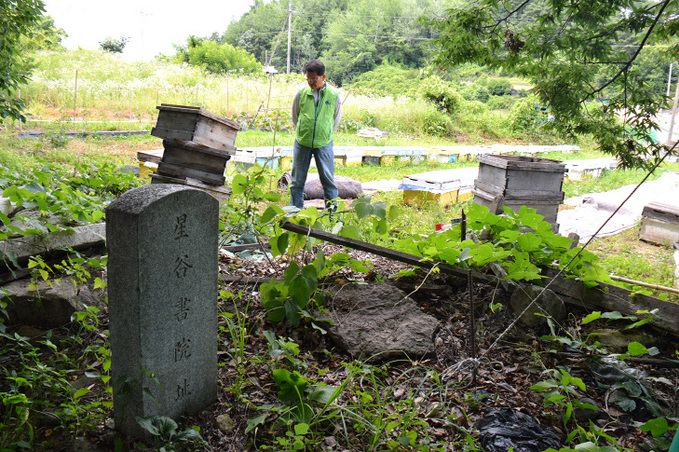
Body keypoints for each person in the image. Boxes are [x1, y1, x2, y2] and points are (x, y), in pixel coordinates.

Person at [289, 59, 342, 210]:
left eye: (314, 79)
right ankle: (295, 212)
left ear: (323, 77)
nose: (311, 82)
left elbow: (336, 119)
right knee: (297, 181)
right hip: (302, 142)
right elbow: (295, 116)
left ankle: (332, 214)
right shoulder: (301, 93)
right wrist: (303, 131)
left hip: (324, 143)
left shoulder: (333, 95)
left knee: (328, 180)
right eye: (308, 79)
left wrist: (325, 133)